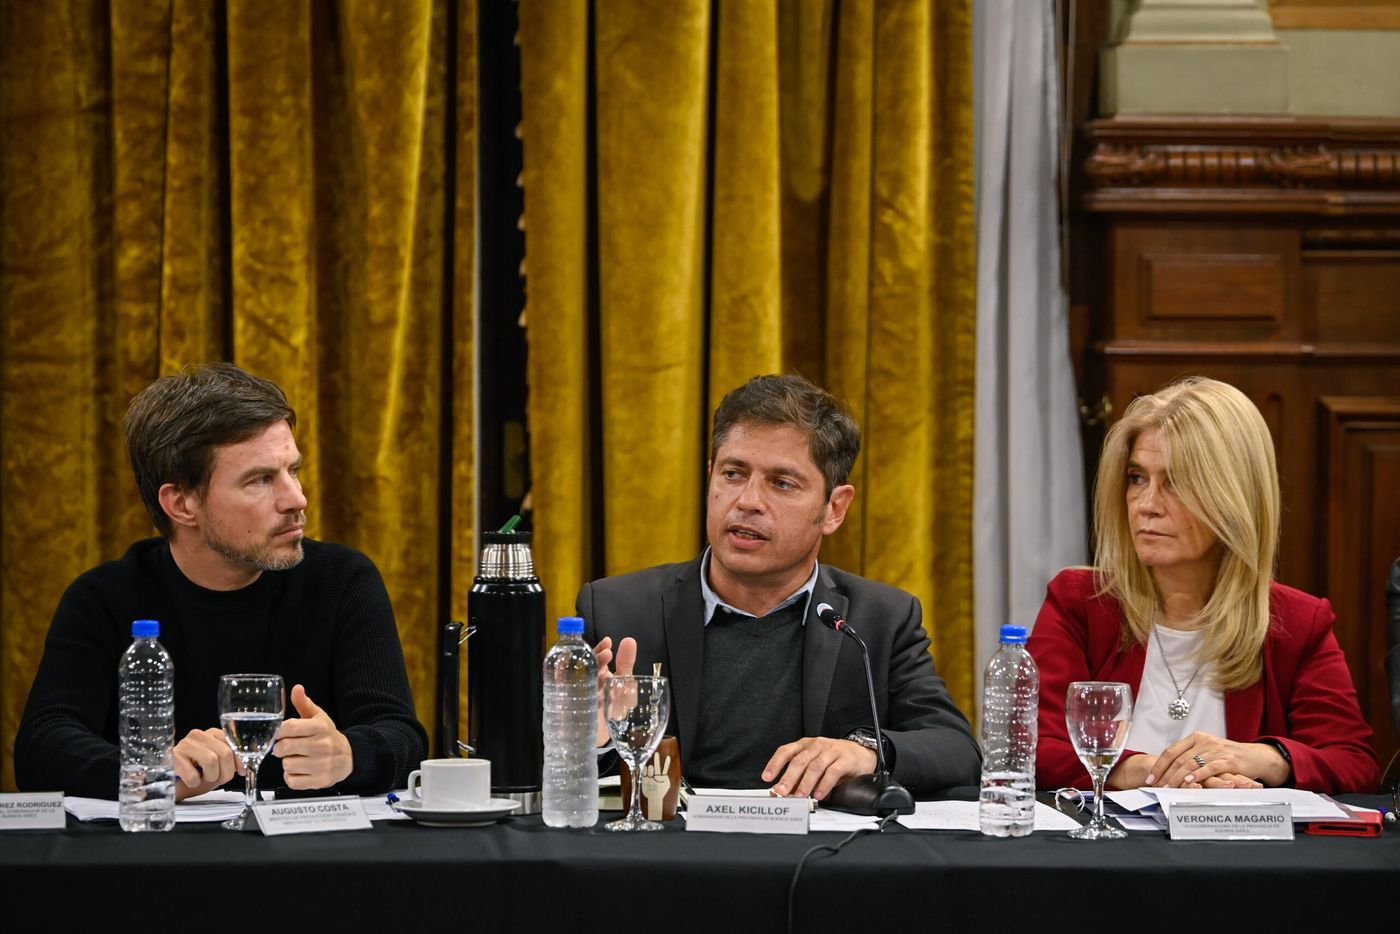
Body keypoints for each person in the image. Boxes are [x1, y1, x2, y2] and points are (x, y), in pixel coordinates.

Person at [15, 363, 427, 800]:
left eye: (293, 470)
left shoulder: (342, 580)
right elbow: (43, 747)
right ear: (182, 503)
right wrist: (150, 772)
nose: (296, 499)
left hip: (307, 859)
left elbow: (401, 735)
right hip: (160, 861)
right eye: (261, 480)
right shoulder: (104, 598)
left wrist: (349, 754)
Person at [579, 374, 979, 801]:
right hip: (671, 858)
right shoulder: (617, 612)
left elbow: (956, 750)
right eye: (733, 473)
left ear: (834, 509)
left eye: (782, 483)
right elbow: (542, 765)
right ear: (711, 476)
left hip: (819, 862)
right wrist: (591, 736)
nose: (748, 501)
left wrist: (864, 751)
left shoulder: (878, 620)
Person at [1029, 376, 1378, 795]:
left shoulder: (1297, 622)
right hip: (1109, 852)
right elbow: (1031, 749)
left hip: (1239, 856)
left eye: (1174, 482)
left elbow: (1355, 763)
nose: (1146, 504)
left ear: (1233, 495)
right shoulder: (1082, 603)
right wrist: (1150, 771)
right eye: (1138, 478)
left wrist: (1262, 759)